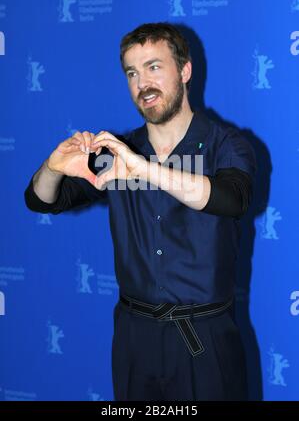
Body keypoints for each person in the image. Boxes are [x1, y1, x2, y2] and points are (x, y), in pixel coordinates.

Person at [24, 22, 257, 401]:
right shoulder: (118, 152)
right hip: (136, 338)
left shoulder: (226, 144)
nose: (142, 83)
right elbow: (42, 200)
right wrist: (53, 167)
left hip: (205, 339)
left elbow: (231, 199)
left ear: (185, 71)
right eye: (132, 73)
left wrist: (144, 168)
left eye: (153, 67)